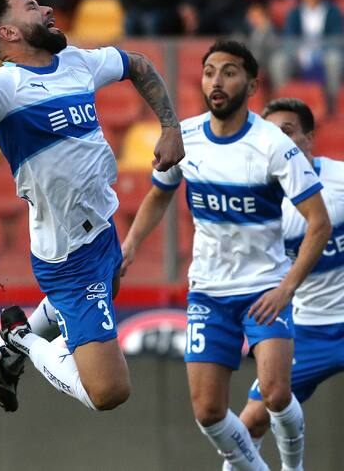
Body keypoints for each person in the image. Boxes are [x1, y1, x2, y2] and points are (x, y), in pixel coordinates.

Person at [0, 0, 185, 414]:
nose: (47, 8)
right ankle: (20, 340)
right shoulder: (5, 90)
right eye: (31, 7)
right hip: (70, 255)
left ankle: (6, 359)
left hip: (101, 228)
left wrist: (170, 126)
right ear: (8, 33)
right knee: (109, 392)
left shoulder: (76, 62)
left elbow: (138, 65)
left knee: (112, 282)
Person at [121, 40, 331, 471]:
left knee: (274, 393)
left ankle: (294, 467)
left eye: (229, 72)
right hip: (209, 294)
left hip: (264, 289)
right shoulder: (186, 137)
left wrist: (287, 288)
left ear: (252, 84)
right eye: (209, 71)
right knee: (208, 413)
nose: (216, 81)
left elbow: (319, 223)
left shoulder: (275, 145)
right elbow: (159, 195)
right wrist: (130, 246)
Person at [221, 98, 344, 471]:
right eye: (269, 134)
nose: (278, 142)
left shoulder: (340, 181)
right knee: (250, 421)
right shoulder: (257, 204)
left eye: (287, 132)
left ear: (309, 138)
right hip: (307, 331)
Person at [268, 0, 343, 109]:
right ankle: (283, 105)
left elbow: (337, 40)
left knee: (335, 59)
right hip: (299, 57)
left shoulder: (333, 11)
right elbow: (289, 40)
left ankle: (332, 106)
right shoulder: (294, 13)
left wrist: (318, 50)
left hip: (325, 56)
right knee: (279, 61)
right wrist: (300, 52)